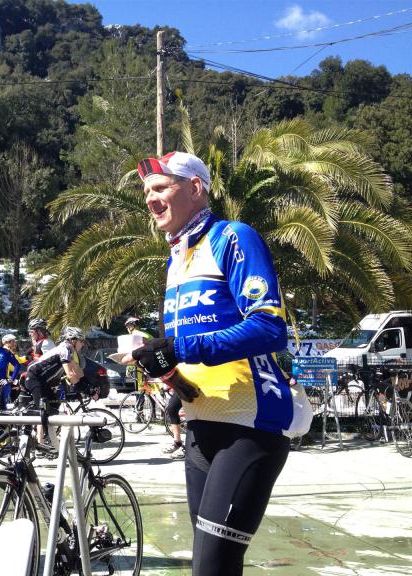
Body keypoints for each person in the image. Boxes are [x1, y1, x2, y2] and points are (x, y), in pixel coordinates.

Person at [125, 151, 293, 576]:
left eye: (160, 188)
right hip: (201, 425)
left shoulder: (232, 237)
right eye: (146, 192)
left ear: (195, 188)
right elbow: (188, 354)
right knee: (210, 565)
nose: (150, 199)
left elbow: (270, 328)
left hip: (250, 423)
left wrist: (181, 347)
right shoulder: (176, 259)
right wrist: (164, 368)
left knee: (211, 567)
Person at [23, 326, 86, 411]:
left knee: (54, 407)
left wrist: (88, 385)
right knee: (45, 411)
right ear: (73, 340)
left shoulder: (70, 350)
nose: (83, 344)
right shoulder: (64, 349)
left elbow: (77, 369)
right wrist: (84, 388)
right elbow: (70, 374)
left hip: (43, 380)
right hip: (34, 377)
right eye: (81, 341)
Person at [123, 316, 153, 391]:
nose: (127, 329)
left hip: (141, 363)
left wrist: (128, 368)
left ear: (131, 326)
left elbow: (132, 353)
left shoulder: (134, 336)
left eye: (127, 327)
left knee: (140, 385)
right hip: (152, 361)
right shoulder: (146, 334)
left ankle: (141, 395)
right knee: (150, 384)